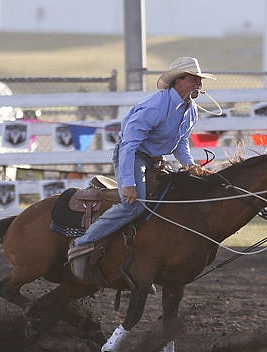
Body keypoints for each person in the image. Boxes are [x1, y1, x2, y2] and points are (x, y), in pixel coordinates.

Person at [68, 57, 215, 278]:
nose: (199, 85)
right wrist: (128, 184)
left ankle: (143, 259)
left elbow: (181, 142)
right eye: (194, 79)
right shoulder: (156, 105)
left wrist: (190, 165)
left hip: (152, 159)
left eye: (199, 80)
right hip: (133, 156)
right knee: (133, 206)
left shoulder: (190, 109)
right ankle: (82, 243)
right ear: (179, 81)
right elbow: (129, 144)